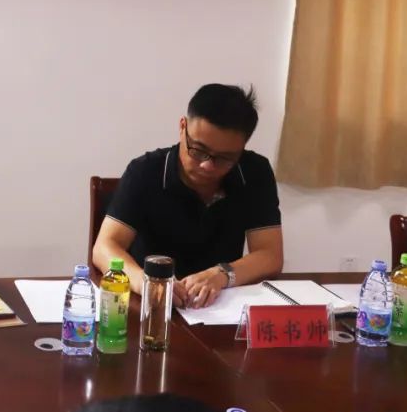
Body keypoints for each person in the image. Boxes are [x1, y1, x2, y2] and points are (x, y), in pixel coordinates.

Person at [92, 84, 283, 309]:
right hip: (150, 309)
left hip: (217, 306)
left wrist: (223, 274)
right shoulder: (146, 171)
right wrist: (146, 282)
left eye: (224, 158)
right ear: (182, 127)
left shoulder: (254, 172)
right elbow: (105, 247)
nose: (207, 166)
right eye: (198, 150)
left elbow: (270, 255)